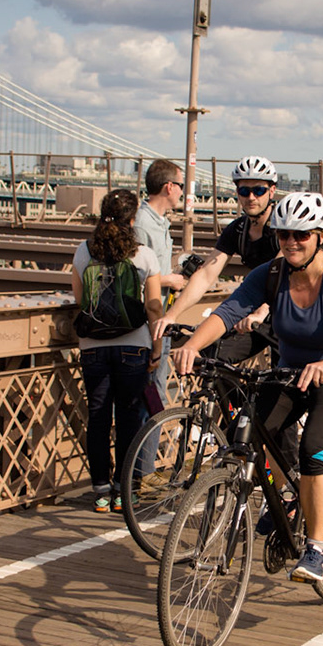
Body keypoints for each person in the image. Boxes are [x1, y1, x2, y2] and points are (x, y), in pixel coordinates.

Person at [174, 192, 323, 586]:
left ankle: (316, 548)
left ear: (319, 236)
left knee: (313, 448)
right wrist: (193, 345)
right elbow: (228, 311)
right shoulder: (271, 274)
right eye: (284, 235)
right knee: (252, 431)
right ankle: (284, 499)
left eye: (301, 235)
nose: (291, 242)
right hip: (291, 371)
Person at [70, 190, 165, 514]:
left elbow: (80, 299)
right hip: (133, 346)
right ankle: (124, 491)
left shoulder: (84, 250)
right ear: (133, 219)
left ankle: (100, 491)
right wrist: (156, 349)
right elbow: (154, 307)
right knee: (128, 419)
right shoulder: (144, 255)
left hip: (93, 347)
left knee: (97, 417)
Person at [164, 155, 280, 364]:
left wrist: (263, 310)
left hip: (287, 312)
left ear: (271, 191)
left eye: (258, 190)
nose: (251, 197)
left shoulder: (284, 230)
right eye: (244, 191)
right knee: (212, 357)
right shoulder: (238, 230)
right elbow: (206, 275)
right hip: (256, 313)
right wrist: (171, 315)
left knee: (284, 374)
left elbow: (282, 272)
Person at [132, 159, 189, 476]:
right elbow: (137, 275)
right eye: (180, 186)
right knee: (149, 398)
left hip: (161, 320)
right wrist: (169, 280)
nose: (182, 192)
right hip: (149, 324)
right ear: (169, 187)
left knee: (153, 398)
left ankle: (143, 471)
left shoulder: (159, 222)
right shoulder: (143, 224)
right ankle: (143, 474)